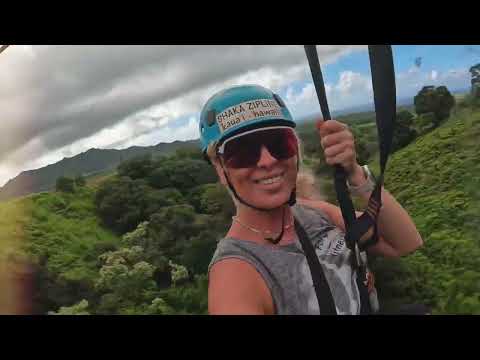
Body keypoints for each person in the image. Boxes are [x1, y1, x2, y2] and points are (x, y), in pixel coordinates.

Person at [200, 84, 423, 315]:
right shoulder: (235, 271)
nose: (267, 161)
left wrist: (354, 171)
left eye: (279, 144)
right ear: (220, 167)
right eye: (242, 151)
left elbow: (404, 242)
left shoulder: (316, 214)